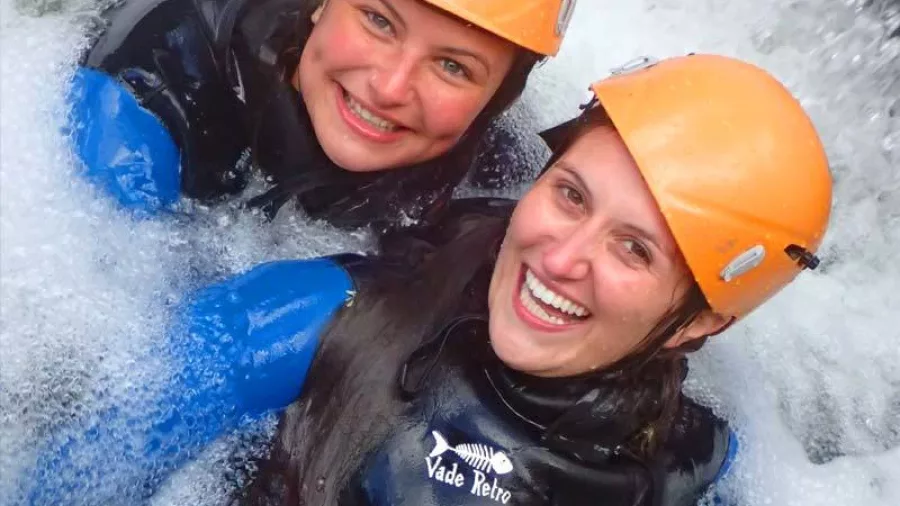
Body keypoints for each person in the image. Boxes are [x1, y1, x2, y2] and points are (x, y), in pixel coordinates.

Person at [27, 54, 832, 506]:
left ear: (699, 323)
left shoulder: (699, 470)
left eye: (634, 251)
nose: (559, 258)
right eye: (570, 194)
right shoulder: (314, 321)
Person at [68, 0, 574, 231]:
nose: (389, 87)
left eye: (452, 67)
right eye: (378, 20)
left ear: (497, 100)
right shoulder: (165, 67)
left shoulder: (502, 173)